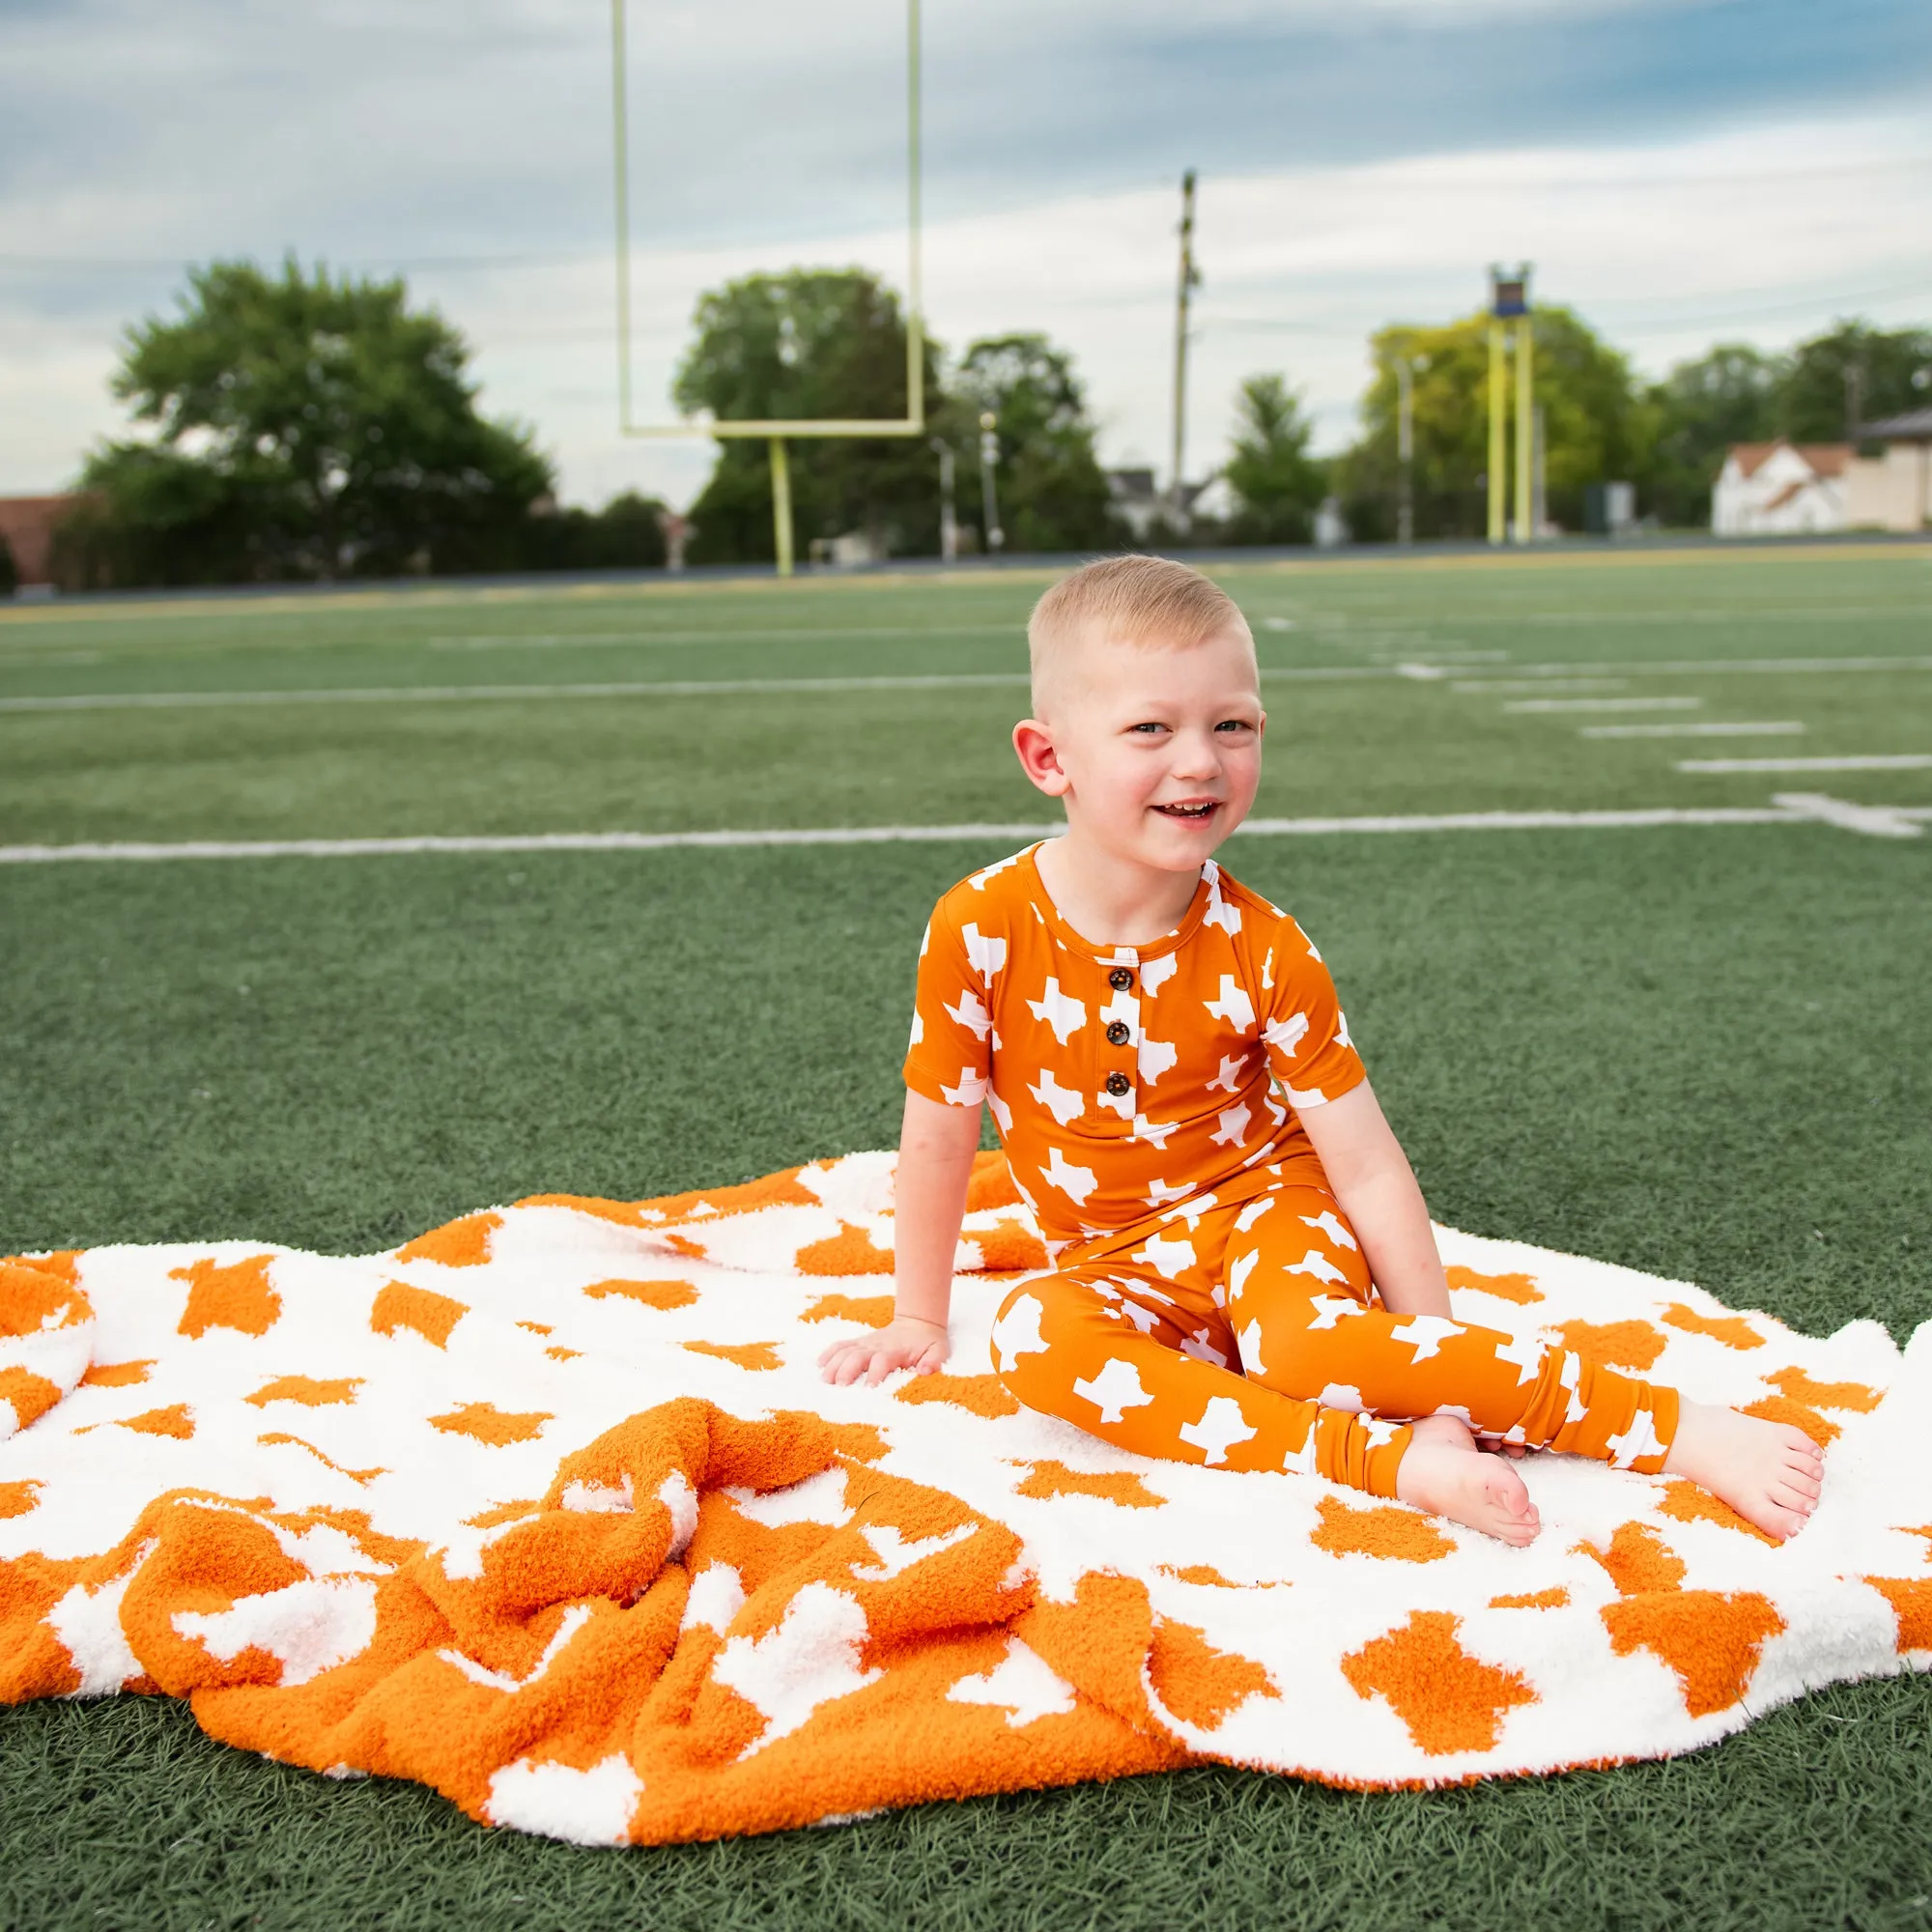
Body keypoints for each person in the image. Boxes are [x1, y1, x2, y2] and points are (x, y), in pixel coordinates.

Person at [818, 555, 1823, 1544]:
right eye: (1149, 729)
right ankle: (1377, 1464)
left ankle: (1672, 1425)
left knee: (1300, 1342)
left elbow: (1366, 1165)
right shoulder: (978, 926)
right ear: (1049, 759)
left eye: (1232, 725)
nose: (1199, 760)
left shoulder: (1264, 947)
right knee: (1032, 1336)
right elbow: (941, 1128)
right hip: (1112, 1266)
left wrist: (1436, 1381)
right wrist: (916, 1314)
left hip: (1267, 1219)